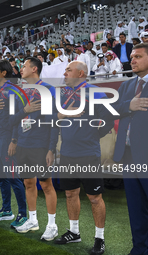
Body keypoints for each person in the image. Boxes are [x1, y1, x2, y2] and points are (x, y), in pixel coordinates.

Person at [54, 61, 113, 255]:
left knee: (94, 198)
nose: (65, 73)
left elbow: (108, 120)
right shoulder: (63, 94)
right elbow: (55, 117)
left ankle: (100, 239)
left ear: (80, 73)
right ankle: (74, 232)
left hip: (88, 154)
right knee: (70, 194)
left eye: (68, 70)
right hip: (67, 153)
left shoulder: (96, 92)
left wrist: (93, 135)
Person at [11, 57, 59, 241]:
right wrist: (14, 139)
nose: (21, 70)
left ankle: (52, 225)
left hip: (40, 144)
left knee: (46, 185)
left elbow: (53, 121)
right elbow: (14, 119)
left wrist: (51, 148)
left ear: (34, 69)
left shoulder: (48, 89)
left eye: (23, 67)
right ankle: (32, 220)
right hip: (23, 144)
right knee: (28, 183)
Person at [112, 43, 148, 255]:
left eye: (138, 56)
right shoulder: (126, 86)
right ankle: (139, 249)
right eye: (132, 56)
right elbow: (113, 110)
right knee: (136, 209)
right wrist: (129, 106)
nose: (132, 60)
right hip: (127, 156)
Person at [0, 60, 28, 228]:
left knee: (13, 176)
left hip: (7, 137)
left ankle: (23, 214)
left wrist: (14, 140)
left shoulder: (13, 91)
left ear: (4, 73)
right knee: (1, 176)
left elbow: (21, 119)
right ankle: (6, 210)